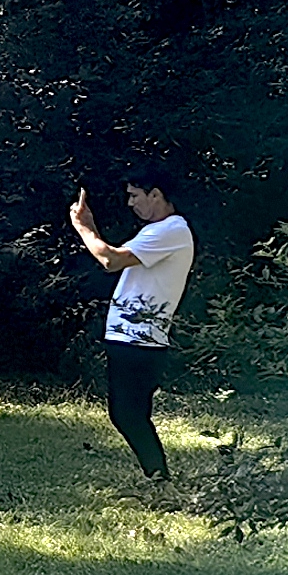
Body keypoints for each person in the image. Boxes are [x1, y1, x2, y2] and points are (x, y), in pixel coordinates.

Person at [66, 165, 195, 479]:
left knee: (127, 414)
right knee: (130, 413)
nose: (130, 203)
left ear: (156, 194)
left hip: (140, 340)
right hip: (134, 338)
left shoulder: (171, 230)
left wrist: (85, 227)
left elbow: (110, 260)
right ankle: (157, 477)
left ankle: (159, 478)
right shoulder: (160, 231)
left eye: (135, 195)